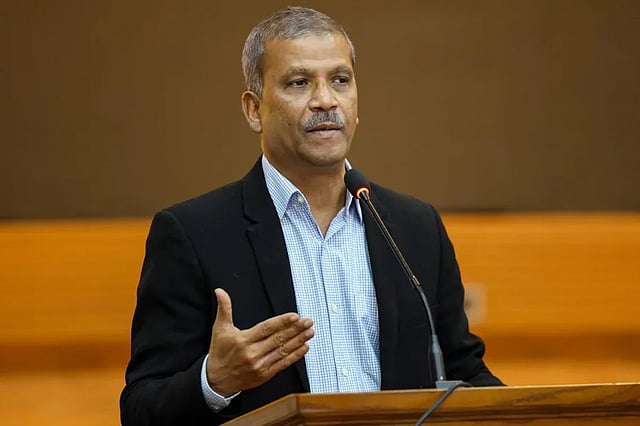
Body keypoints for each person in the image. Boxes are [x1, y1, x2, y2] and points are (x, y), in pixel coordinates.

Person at [120, 6, 502, 426]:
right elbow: (141, 409)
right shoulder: (193, 234)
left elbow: (464, 375)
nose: (325, 100)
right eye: (299, 83)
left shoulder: (416, 228)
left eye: (340, 80)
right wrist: (215, 381)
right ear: (254, 109)